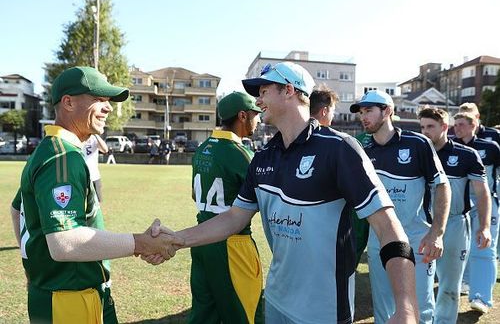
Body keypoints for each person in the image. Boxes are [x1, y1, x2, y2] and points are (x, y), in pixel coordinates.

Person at [150, 62, 419, 323]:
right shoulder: (262, 157)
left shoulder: (340, 149)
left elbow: (388, 228)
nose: (258, 101)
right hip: (277, 300)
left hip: (323, 309)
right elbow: (234, 217)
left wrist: (406, 308)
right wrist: (178, 239)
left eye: (264, 91)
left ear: (289, 90)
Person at [10, 66, 182, 324]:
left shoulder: (52, 150)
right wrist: (141, 243)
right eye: (99, 99)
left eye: (108, 101)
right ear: (68, 102)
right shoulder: (63, 156)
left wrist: (34, 268)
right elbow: (64, 242)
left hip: (63, 294)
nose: (109, 107)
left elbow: (17, 209)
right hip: (70, 300)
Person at [350, 90, 451, 324]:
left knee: (420, 310)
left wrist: (437, 233)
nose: (363, 117)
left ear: (387, 111)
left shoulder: (418, 144)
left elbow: (442, 187)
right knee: (383, 310)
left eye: (369, 111)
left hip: (418, 239)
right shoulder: (363, 150)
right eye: (361, 112)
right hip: (379, 241)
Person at [188, 91, 263, 324]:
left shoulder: (203, 148)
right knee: (245, 314)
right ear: (242, 116)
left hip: (201, 239)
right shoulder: (241, 154)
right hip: (232, 243)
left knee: (204, 314)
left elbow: (194, 194)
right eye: (255, 114)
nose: (259, 120)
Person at [418, 107, 491, 322]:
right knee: (420, 282)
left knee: (449, 285)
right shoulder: (417, 153)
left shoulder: (466, 155)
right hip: (421, 224)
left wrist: (485, 227)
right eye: (422, 127)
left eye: (430, 127)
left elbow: (482, 193)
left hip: (455, 225)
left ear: (444, 127)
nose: (425, 132)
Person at [309, 87, 369, 266]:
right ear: (325, 110)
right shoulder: (340, 142)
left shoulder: (289, 139)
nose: (334, 117)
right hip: (333, 224)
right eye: (333, 111)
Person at [453, 111, 500, 313]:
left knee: (484, 249)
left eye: (462, 124)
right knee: (457, 249)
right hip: (459, 206)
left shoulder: (490, 147)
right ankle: (459, 284)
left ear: (474, 126)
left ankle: (481, 298)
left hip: (486, 204)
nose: (457, 128)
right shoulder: (450, 147)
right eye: (455, 124)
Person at [83, 134, 108, 202]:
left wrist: (96, 134)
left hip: (94, 176)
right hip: (81, 176)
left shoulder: (94, 139)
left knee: (96, 202)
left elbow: (105, 149)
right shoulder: (76, 137)